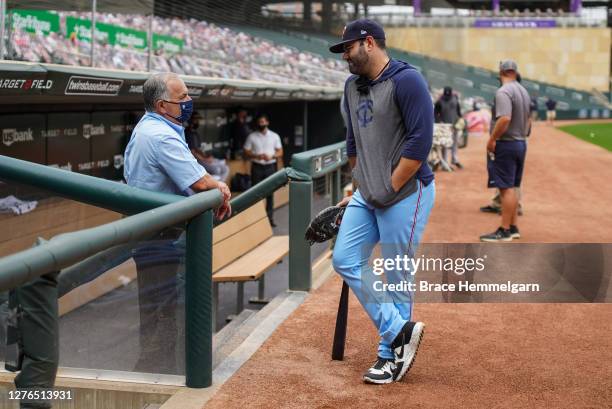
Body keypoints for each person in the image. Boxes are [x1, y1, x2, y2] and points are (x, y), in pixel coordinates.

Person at [329, 19, 435, 384]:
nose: (344, 55)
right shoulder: (350, 87)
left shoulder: (407, 80)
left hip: (407, 192)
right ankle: (399, 331)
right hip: (368, 194)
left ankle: (390, 356)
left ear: (369, 43)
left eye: (348, 48)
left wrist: (387, 188)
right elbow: (353, 143)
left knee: (396, 274)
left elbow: (420, 143)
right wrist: (360, 187)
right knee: (344, 259)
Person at [123, 72, 231, 372]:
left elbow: (193, 170)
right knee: (164, 314)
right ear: (161, 105)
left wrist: (213, 184)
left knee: (164, 312)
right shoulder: (159, 135)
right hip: (159, 237)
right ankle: (156, 379)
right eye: (181, 97)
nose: (188, 101)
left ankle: (162, 373)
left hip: (156, 233)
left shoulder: (155, 126)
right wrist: (220, 188)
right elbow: (200, 183)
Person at [480, 60, 530, 242]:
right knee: (514, 187)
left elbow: (504, 119)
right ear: (515, 72)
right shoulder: (523, 91)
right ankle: (514, 226)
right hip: (520, 143)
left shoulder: (504, 91)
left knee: (505, 188)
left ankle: (505, 229)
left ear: (501, 72)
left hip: (506, 144)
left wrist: (492, 139)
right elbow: (529, 120)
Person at [243, 113, 283, 227]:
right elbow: (246, 150)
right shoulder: (252, 136)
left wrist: (272, 156)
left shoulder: (274, 136)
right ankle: (256, 220)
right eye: (260, 122)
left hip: (270, 166)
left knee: (270, 194)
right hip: (257, 167)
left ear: (267, 122)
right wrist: (256, 155)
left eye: (263, 122)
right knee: (256, 193)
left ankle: (270, 219)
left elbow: (280, 152)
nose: (262, 124)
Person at [185, 113, 230, 182]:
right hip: (195, 161)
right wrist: (204, 159)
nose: (197, 122)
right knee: (216, 169)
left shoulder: (195, 133)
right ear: (190, 120)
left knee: (225, 168)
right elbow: (192, 152)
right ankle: (216, 188)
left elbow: (198, 149)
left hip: (201, 159)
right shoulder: (187, 133)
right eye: (195, 120)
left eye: (198, 120)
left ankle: (220, 187)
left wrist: (207, 157)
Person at [434, 86, 463, 169]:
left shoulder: (455, 99)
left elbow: (458, 110)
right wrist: (439, 122)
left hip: (455, 125)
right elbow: (435, 113)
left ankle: (455, 160)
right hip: (445, 127)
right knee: (445, 144)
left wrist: (460, 119)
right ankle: (445, 162)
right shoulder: (439, 101)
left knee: (454, 143)